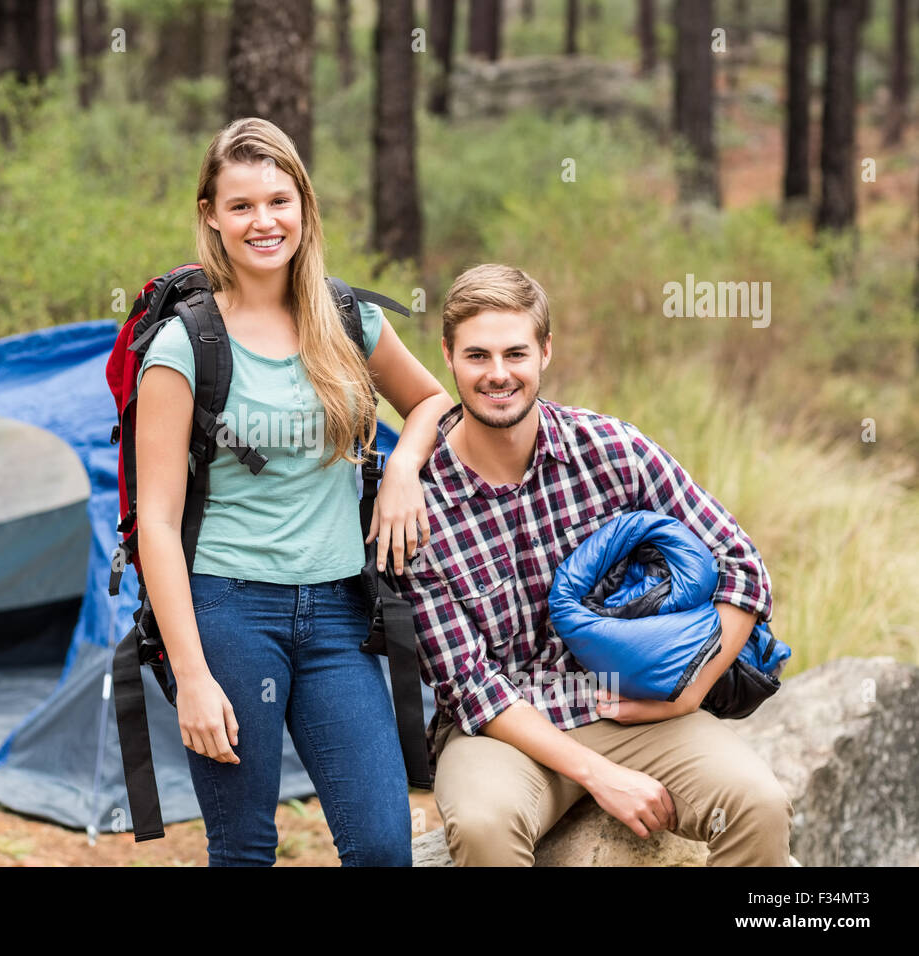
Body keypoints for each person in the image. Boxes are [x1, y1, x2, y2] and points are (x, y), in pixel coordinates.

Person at [389, 263, 794, 866]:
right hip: (504, 727)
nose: (498, 374)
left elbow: (740, 563)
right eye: (477, 356)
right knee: (482, 827)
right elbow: (468, 685)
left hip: (627, 705)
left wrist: (690, 694)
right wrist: (601, 775)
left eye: (516, 353)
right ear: (447, 356)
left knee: (759, 804)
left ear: (546, 351)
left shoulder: (612, 450)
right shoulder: (419, 506)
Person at [133, 117, 454, 866]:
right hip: (228, 611)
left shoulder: (348, 319)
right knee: (244, 848)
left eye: (279, 201)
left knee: (381, 846)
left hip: (340, 615)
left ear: (304, 208)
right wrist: (190, 677)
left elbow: (434, 402)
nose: (263, 221)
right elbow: (156, 520)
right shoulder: (186, 346)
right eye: (241, 205)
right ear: (210, 214)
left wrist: (403, 466)